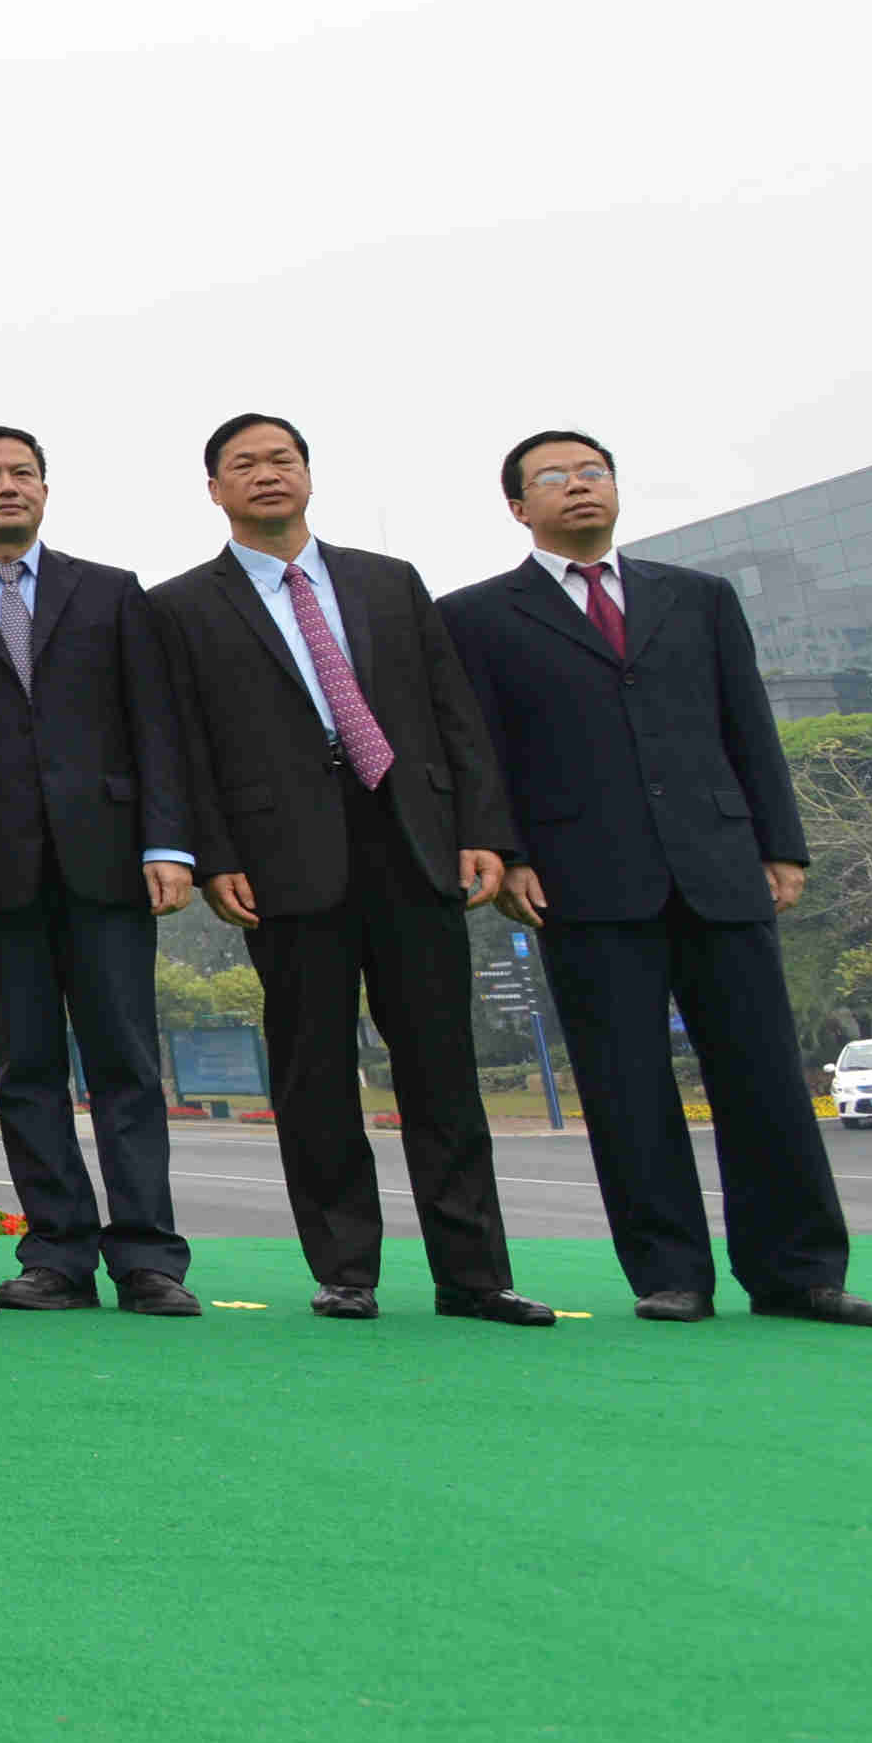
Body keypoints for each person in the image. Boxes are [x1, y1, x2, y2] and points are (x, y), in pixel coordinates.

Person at [440, 431, 872, 1328]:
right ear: (519, 507)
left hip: (719, 868)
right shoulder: (476, 616)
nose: (580, 487)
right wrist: (506, 853)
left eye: (593, 472)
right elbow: (477, 751)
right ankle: (670, 1272)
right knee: (625, 1087)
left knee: (766, 1078)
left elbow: (748, 723)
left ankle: (799, 1273)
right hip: (580, 880)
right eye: (555, 478)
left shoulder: (698, 598)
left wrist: (781, 845)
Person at [149, 414, 551, 1325]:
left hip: (411, 839)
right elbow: (182, 744)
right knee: (313, 1071)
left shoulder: (388, 581)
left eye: (282, 459)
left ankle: (475, 1276)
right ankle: (345, 1270)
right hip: (281, 861)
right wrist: (215, 857)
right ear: (214, 489)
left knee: (441, 1067)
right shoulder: (179, 606)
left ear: (307, 473)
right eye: (244, 464)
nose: (267, 474)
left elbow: (453, 712)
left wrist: (484, 832)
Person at [0, 426, 203, 1315]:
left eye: (23, 473)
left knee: (127, 1064)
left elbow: (157, 723)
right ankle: (58, 1255)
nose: (8, 486)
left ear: (45, 489)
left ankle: (149, 1259)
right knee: (26, 1069)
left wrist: (167, 842)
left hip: (109, 863)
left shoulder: (111, 592)